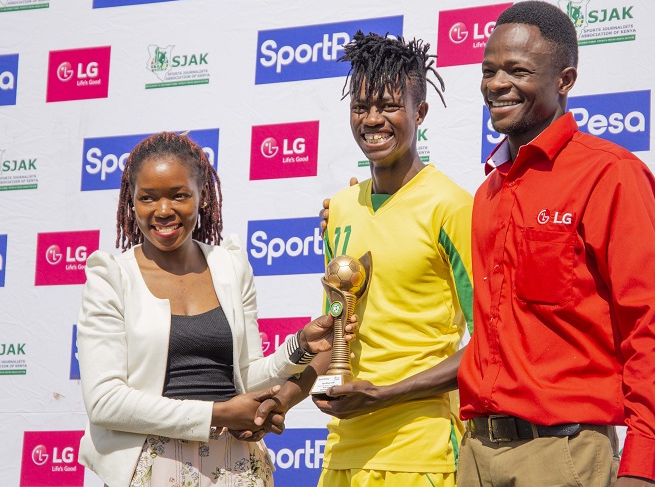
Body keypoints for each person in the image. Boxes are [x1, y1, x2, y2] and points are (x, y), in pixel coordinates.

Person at [456, 1, 655, 487]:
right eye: (489, 70)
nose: (497, 84)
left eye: (518, 70)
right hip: (476, 452)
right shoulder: (489, 192)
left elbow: (653, 323)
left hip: (562, 455)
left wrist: (640, 467)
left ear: (564, 80)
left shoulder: (608, 173)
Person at [255, 31, 474, 487]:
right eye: (361, 106)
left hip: (422, 451)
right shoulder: (340, 211)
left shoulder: (451, 207)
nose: (373, 119)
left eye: (389, 105)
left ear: (420, 112)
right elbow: (337, 336)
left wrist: (383, 396)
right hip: (342, 450)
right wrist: (285, 398)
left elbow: (491, 345)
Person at [76, 132, 356, 487]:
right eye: (147, 198)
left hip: (236, 462)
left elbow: (246, 376)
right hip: (151, 467)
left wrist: (299, 345)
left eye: (179, 195)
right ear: (131, 203)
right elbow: (105, 402)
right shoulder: (111, 277)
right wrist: (218, 412)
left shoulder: (230, 265)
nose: (163, 211)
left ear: (203, 196)